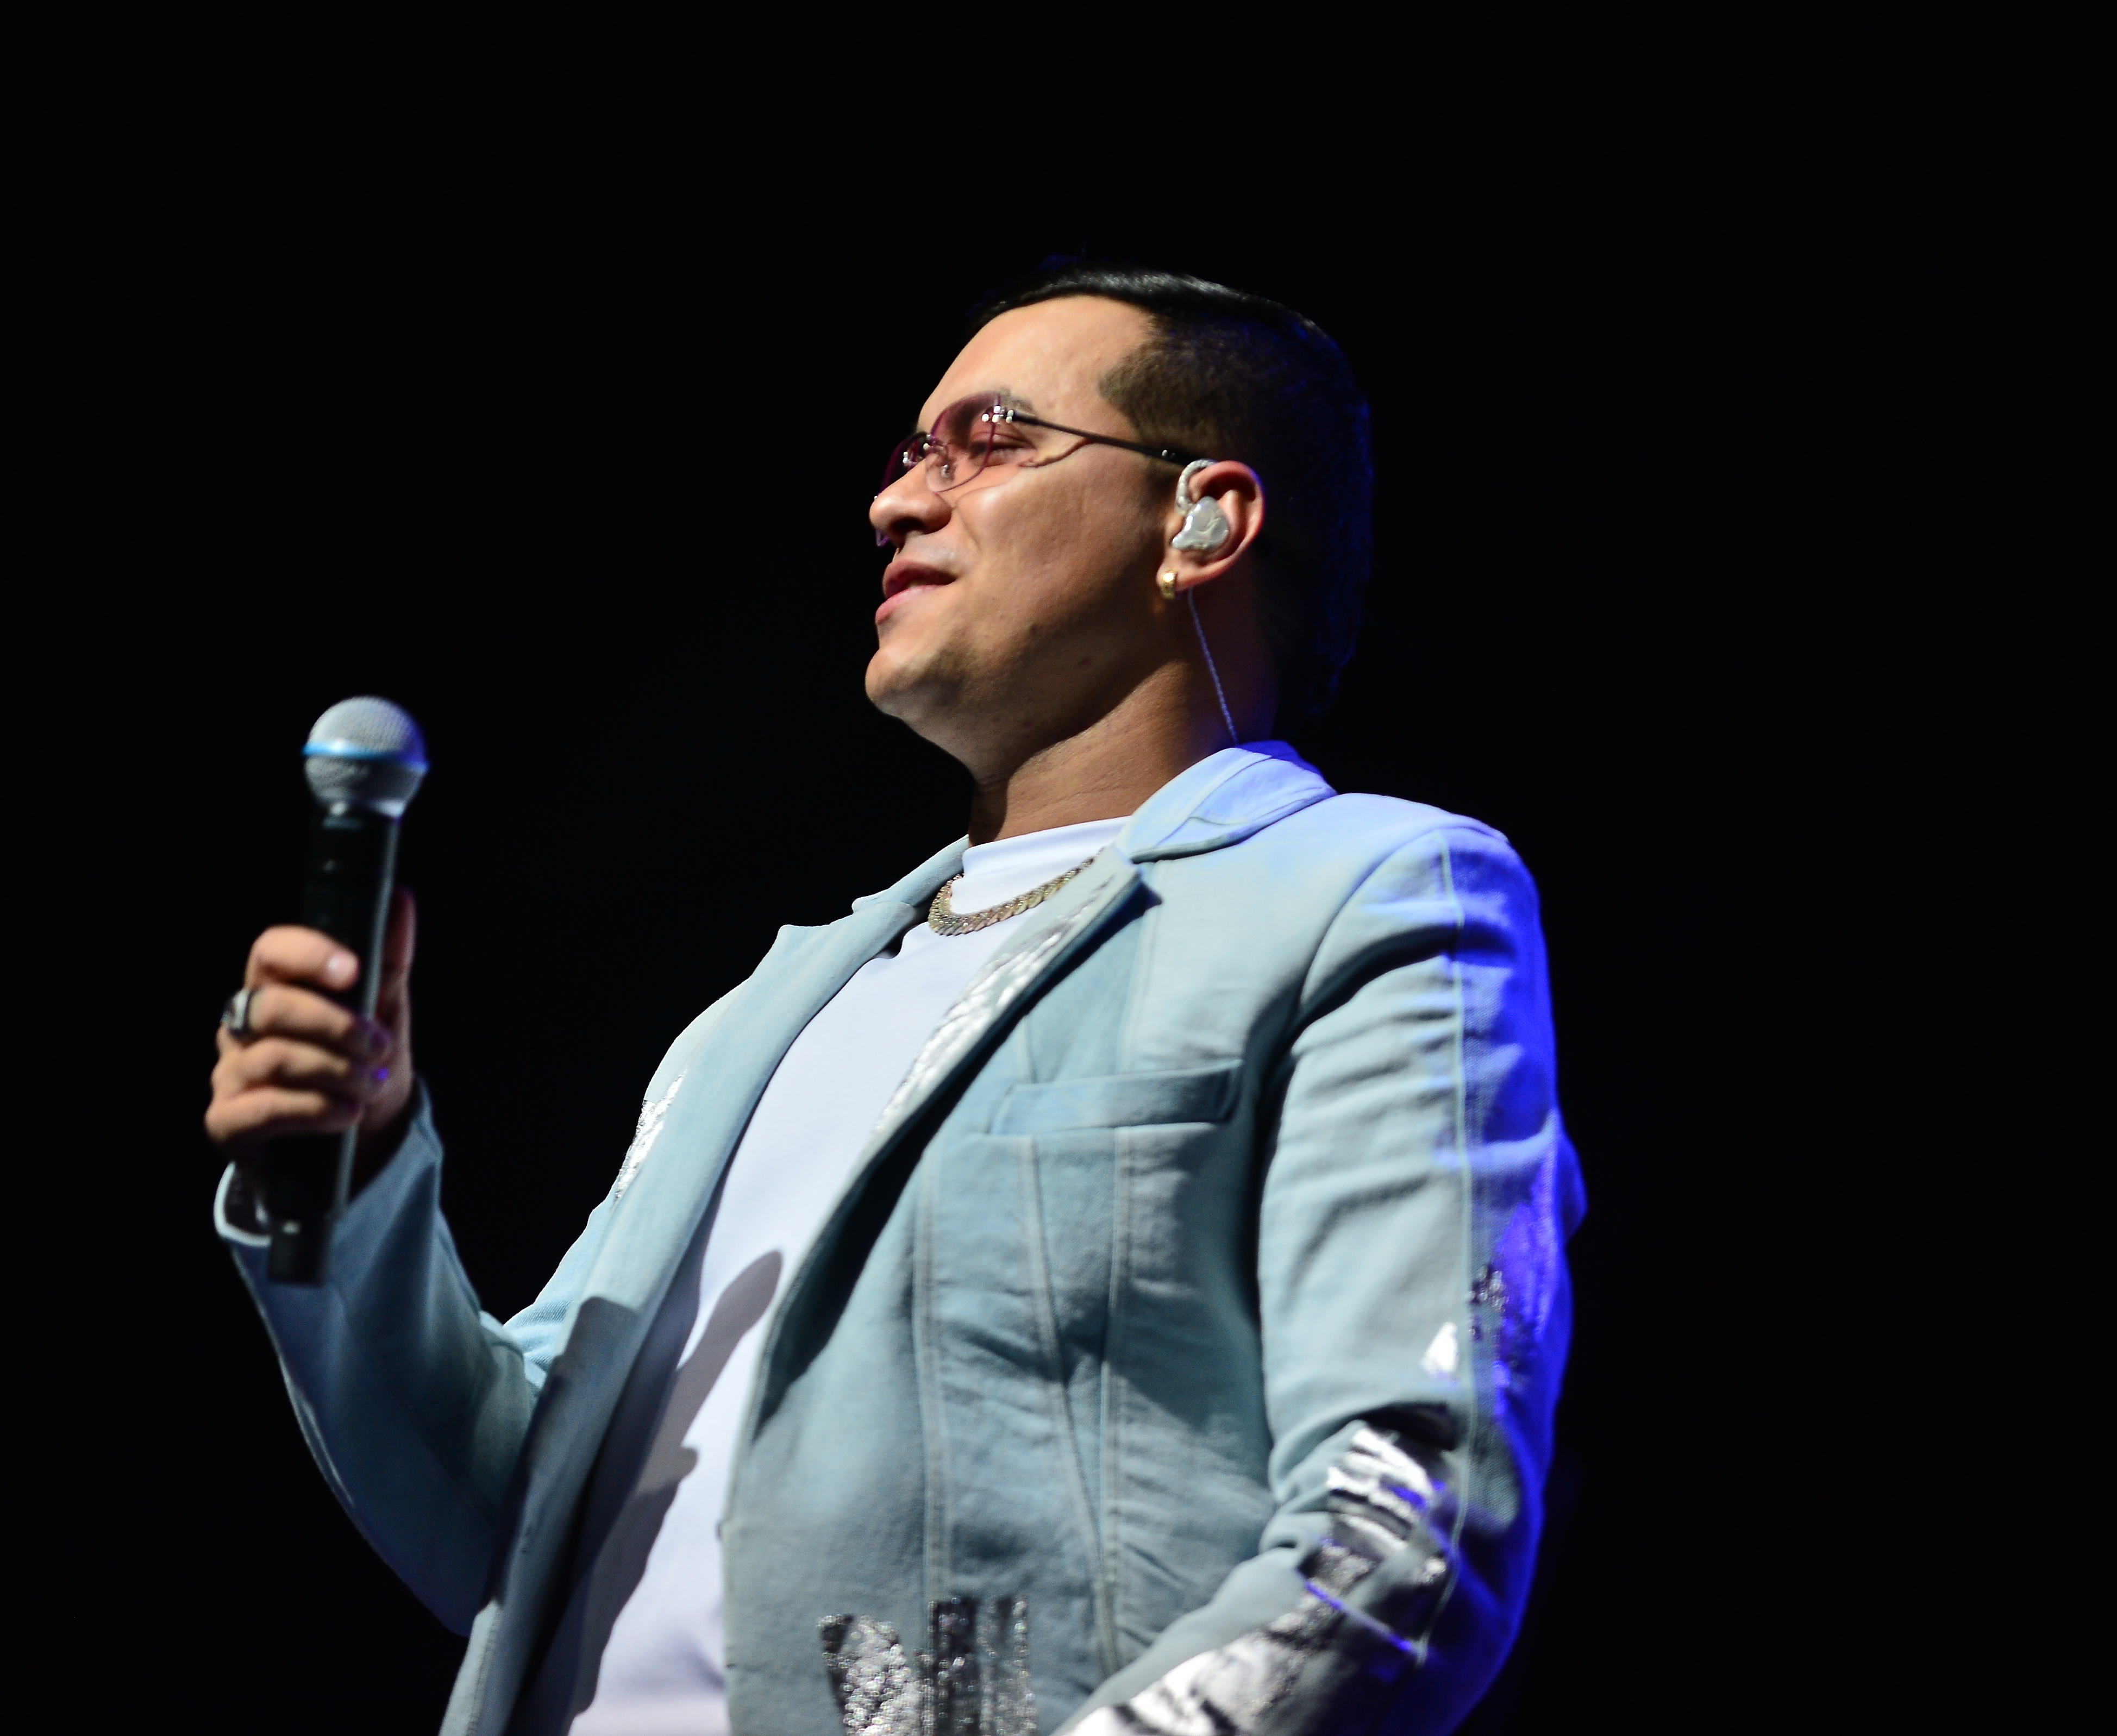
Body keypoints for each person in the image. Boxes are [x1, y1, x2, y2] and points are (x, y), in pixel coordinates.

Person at [204, 261, 1583, 1736]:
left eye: (988, 439)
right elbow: (499, 1521)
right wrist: (355, 1182)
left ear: (1204, 518)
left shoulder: (1368, 893)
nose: (899, 501)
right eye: (904, 454)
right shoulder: (770, 1006)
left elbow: (1396, 1538)